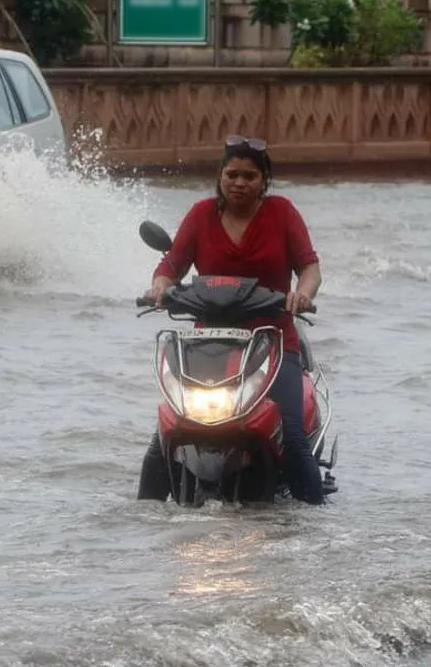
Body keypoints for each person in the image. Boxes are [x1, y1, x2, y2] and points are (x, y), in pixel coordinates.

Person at [136, 135, 325, 505]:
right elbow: (170, 266)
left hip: (272, 341)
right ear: (220, 177)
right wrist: (159, 288)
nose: (239, 183)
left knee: (294, 438)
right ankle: (142, 526)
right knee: (165, 434)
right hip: (209, 344)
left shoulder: (282, 213)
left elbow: (310, 267)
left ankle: (318, 530)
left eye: (249, 176)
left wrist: (302, 294)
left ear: (263, 181)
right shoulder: (201, 214)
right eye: (232, 174)